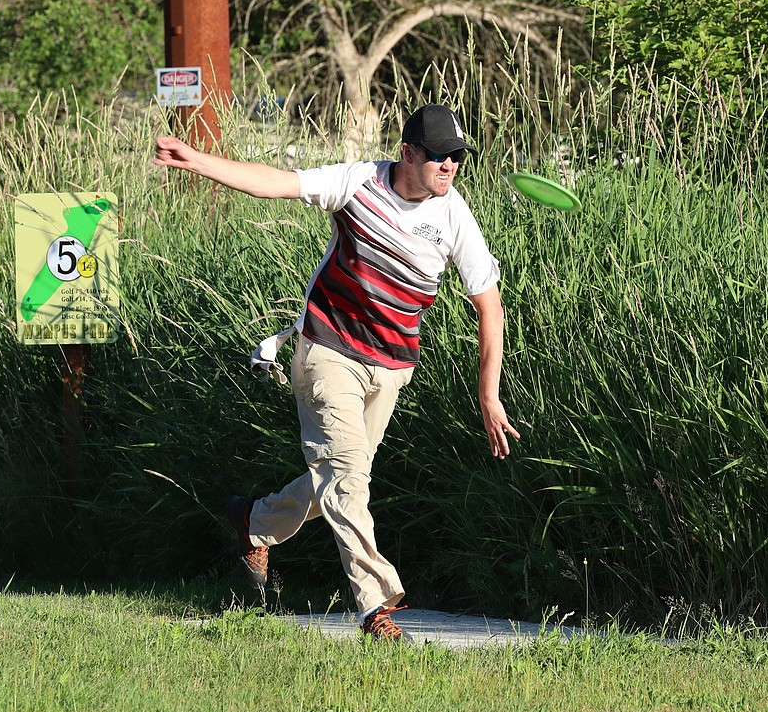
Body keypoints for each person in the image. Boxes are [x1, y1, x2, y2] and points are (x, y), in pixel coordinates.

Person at [153, 104, 521, 641]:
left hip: (392, 368)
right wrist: (198, 160)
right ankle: (377, 607)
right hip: (327, 351)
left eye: (456, 158)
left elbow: (490, 306)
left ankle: (255, 522)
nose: (449, 167)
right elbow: (275, 183)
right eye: (438, 157)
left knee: (342, 475)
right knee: (348, 477)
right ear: (409, 153)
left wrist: (488, 396)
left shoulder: (454, 216)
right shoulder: (357, 183)